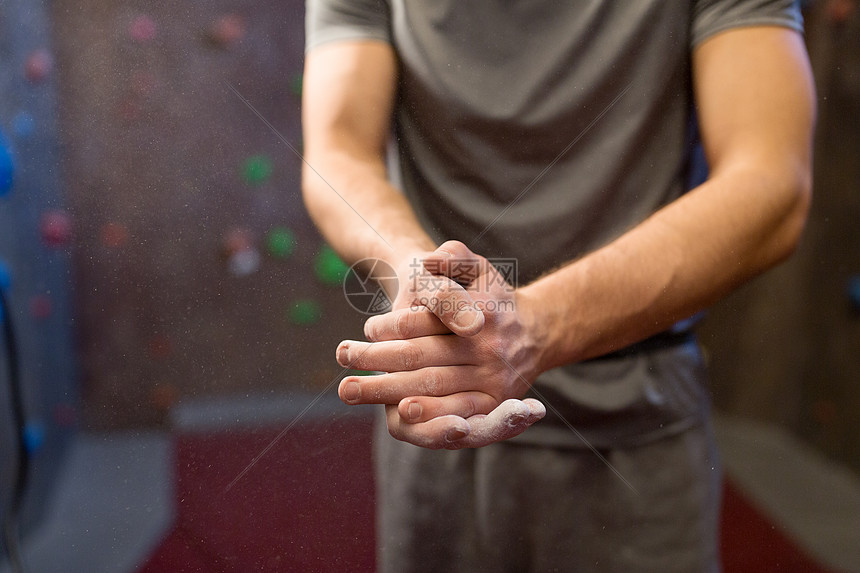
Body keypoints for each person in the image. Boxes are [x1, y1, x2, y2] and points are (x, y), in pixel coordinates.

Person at [301, 1, 815, 571]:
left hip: (636, 423)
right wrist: (416, 270)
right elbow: (337, 148)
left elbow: (772, 182)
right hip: (438, 404)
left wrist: (530, 326)